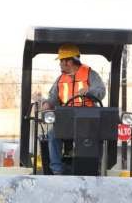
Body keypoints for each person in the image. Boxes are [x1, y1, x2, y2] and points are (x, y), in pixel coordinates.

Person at [41, 44, 106, 175]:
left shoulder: (90, 74)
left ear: (69, 61)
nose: (60, 64)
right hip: (67, 118)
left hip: (88, 118)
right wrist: (47, 104)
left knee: (97, 136)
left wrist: (89, 91)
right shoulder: (60, 79)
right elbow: (53, 97)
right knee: (53, 135)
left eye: (61, 60)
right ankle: (57, 170)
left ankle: (94, 168)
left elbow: (101, 91)